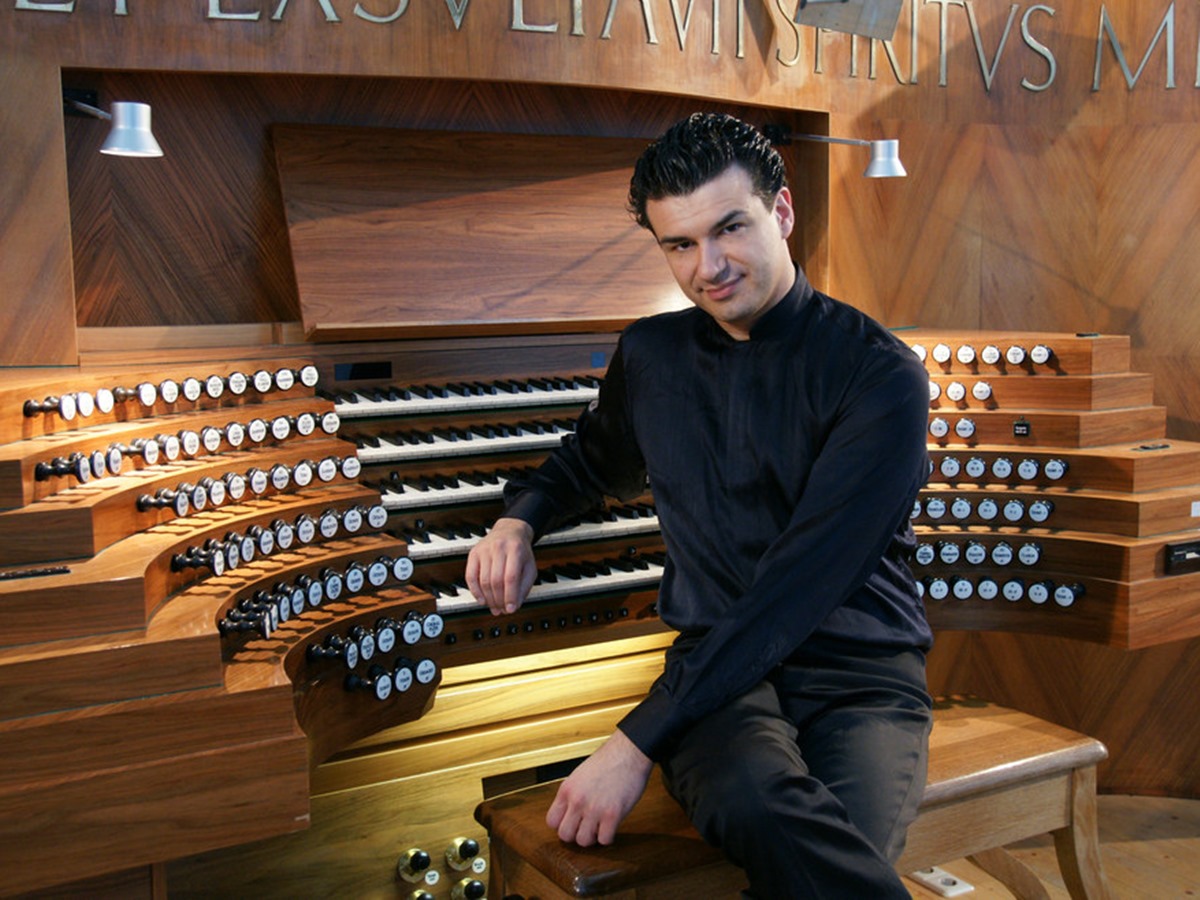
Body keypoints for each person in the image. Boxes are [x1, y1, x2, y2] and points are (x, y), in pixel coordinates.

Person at [465, 111, 933, 898]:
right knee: (759, 803)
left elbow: (796, 589)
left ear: (781, 213)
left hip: (860, 674)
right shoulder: (651, 355)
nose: (707, 266)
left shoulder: (880, 375)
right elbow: (593, 460)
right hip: (719, 680)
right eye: (679, 244)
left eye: (729, 229)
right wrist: (522, 516)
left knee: (827, 855)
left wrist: (633, 741)